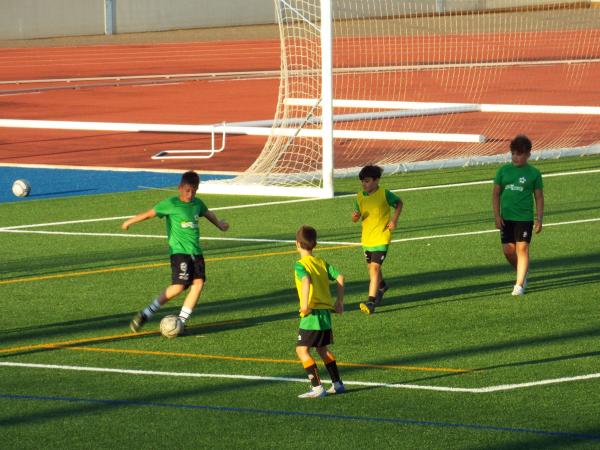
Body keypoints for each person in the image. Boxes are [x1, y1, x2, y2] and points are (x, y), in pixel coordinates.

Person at [121, 170, 229, 332]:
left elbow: (207, 213)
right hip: (179, 253)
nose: (190, 194)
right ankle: (146, 313)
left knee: (198, 284)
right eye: (187, 190)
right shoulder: (170, 204)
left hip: (196, 252)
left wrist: (219, 224)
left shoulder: (197, 204)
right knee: (178, 287)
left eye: (194, 191)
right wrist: (130, 221)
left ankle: (181, 322)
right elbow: (149, 214)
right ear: (180, 188)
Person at [294, 225, 345, 398]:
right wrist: (339, 301)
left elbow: (306, 280)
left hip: (312, 315)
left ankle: (317, 387)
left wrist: (304, 305)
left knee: (302, 350)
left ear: (297, 244)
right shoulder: (322, 263)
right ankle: (337, 384)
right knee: (322, 349)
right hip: (325, 314)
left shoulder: (300, 265)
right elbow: (340, 277)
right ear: (314, 244)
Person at [492, 135, 544, 296]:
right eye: (513, 153)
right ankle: (522, 272)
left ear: (528, 154)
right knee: (508, 251)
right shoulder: (503, 171)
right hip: (506, 218)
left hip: (524, 218)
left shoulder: (534, 173)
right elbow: (495, 195)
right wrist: (497, 216)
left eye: (520, 154)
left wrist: (539, 218)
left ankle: (519, 285)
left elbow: (539, 197)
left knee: (522, 248)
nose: (516, 157)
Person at [352, 165, 403, 315]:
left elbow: (399, 203)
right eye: (362, 182)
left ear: (376, 180)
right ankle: (382, 286)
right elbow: (356, 214)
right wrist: (355, 217)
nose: (364, 184)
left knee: (374, 269)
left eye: (367, 181)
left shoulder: (384, 194)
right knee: (372, 270)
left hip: (381, 237)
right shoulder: (360, 197)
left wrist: (394, 220)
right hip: (367, 239)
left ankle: (370, 302)